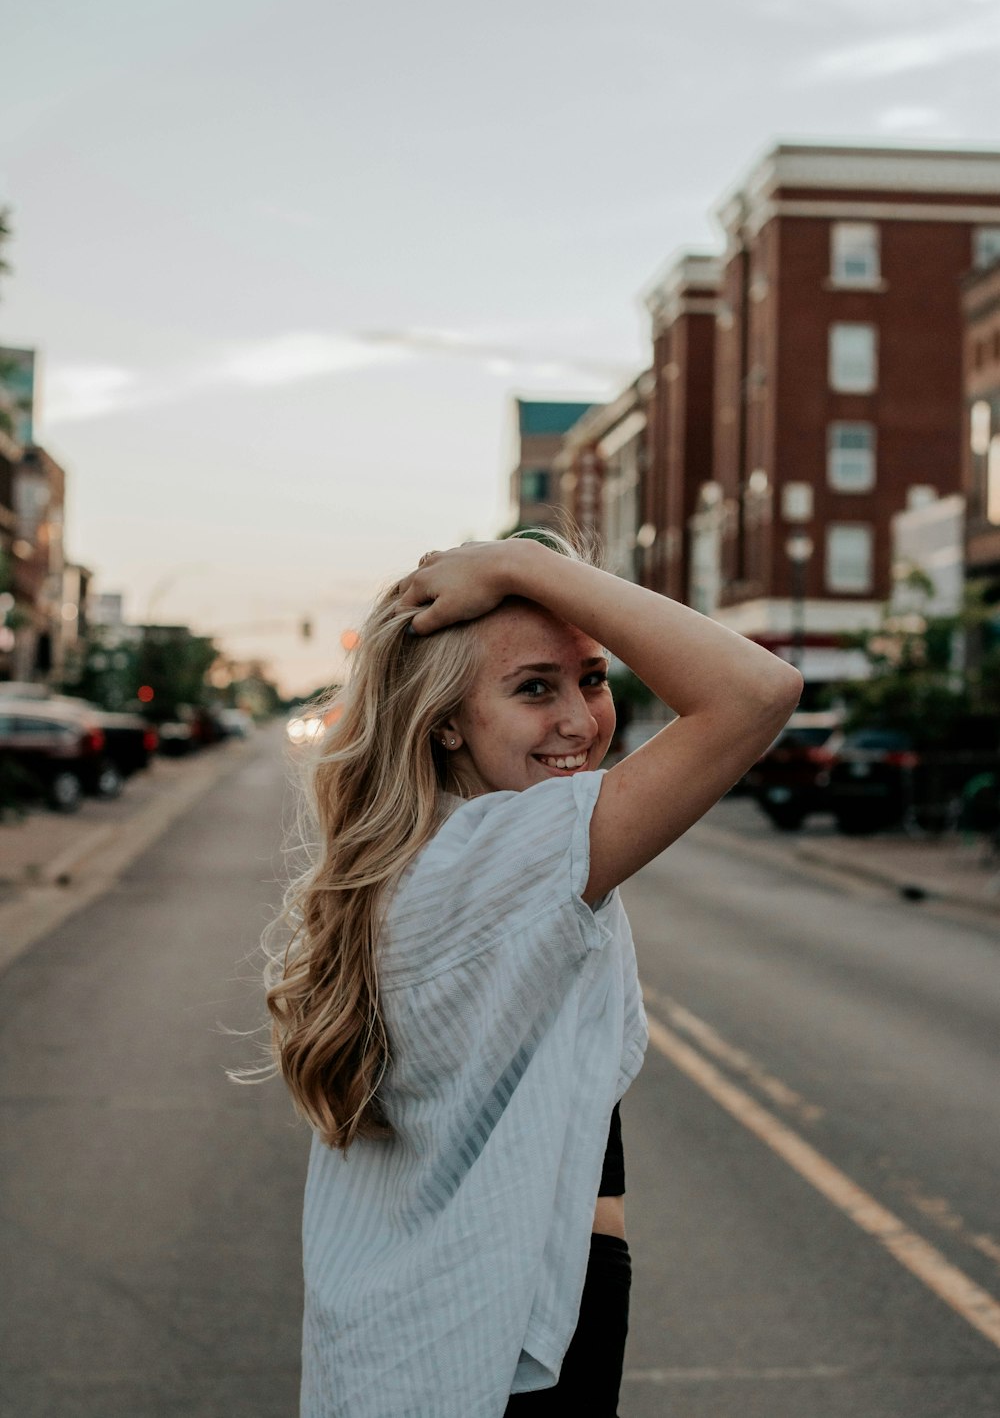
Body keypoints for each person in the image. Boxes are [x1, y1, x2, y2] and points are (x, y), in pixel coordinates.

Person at [261, 532, 802, 1417]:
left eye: (593, 678)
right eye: (532, 689)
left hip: (437, 1340)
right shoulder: (499, 859)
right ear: (443, 721)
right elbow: (755, 691)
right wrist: (524, 565)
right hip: (495, 1351)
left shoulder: (436, 853)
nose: (581, 722)